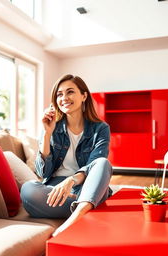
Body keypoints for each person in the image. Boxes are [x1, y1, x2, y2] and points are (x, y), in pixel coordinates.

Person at [21, 74, 113, 237]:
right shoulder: (51, 127)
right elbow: (43, 173)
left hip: (85, 186)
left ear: (84, 96)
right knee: (28, 189)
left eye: (70, 92)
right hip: (56, 190)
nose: (64, 98)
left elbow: (95, 165)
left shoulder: (100, 129)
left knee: (102, 163)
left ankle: (75, 218)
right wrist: (47, 134)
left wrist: (70, 181)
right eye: (59, 94)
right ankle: (88, 206)